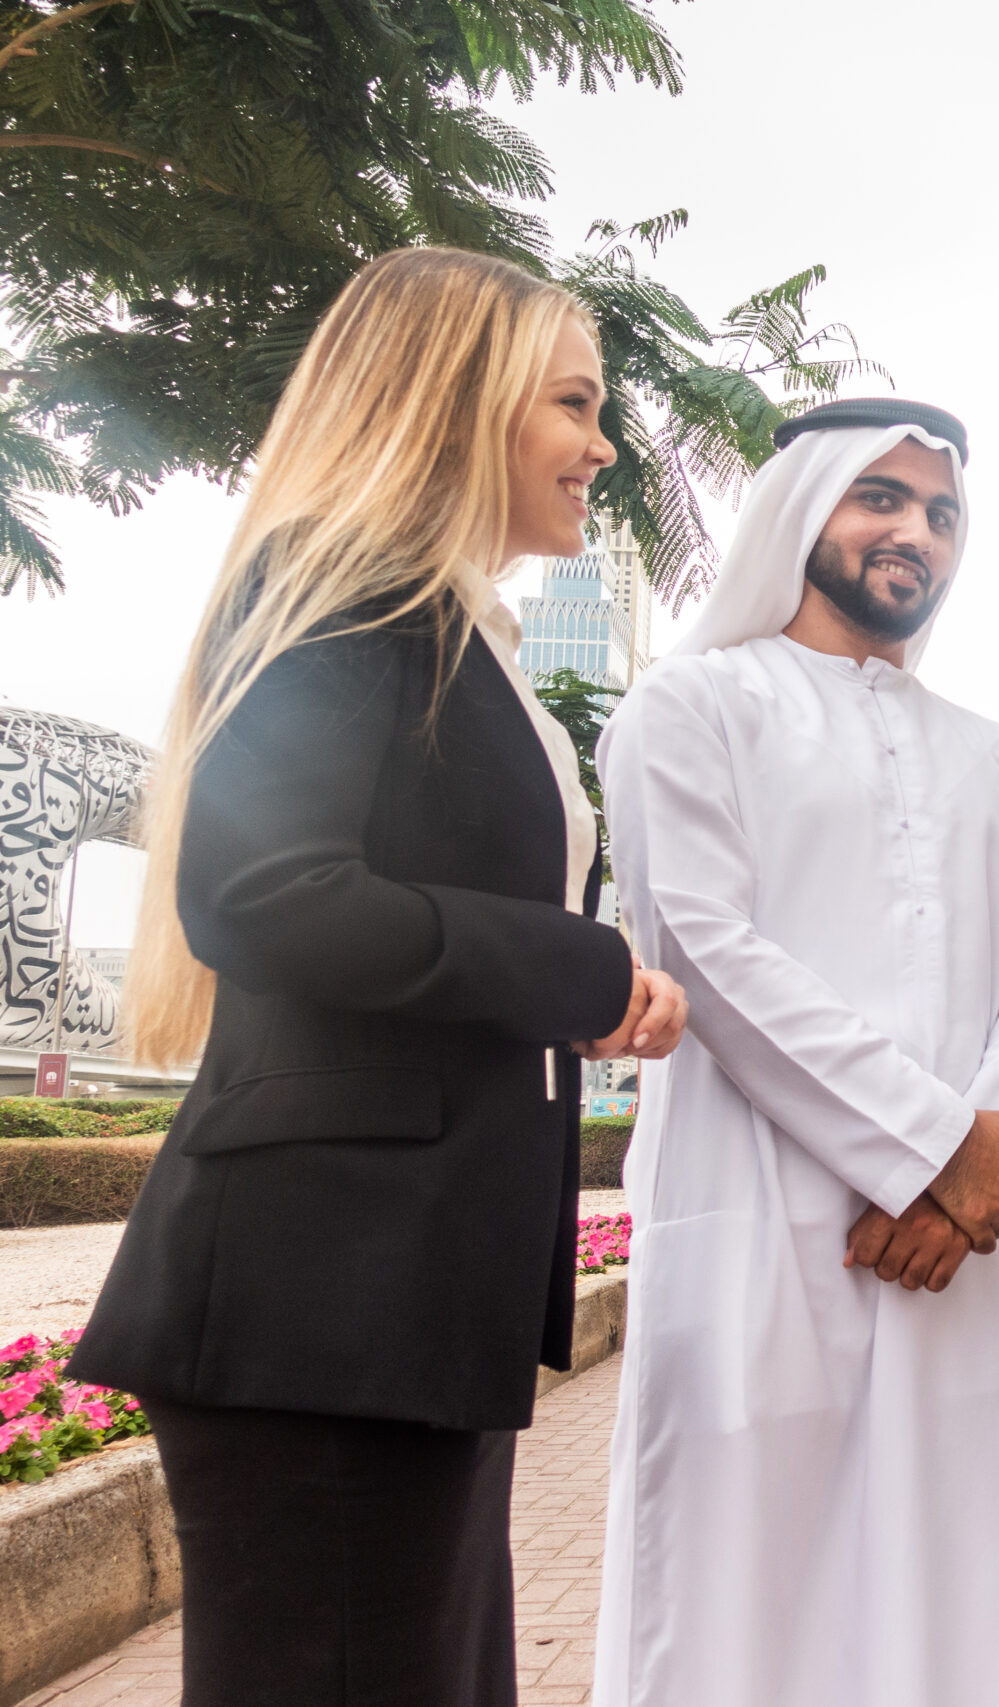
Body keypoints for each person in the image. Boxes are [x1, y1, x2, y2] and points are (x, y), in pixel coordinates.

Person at [69, 247, 690, 1706]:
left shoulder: (461, 625)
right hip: (322, 1292)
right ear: (460, 400)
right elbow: (263, 891)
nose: (602, 444)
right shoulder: (347, 589)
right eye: (574, 402)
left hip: (397, 1293)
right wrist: (578, 961)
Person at [593, 397, 999, 1707]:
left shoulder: (997, 757)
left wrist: (978, 1168)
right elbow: (706, 951)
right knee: (733, 1596)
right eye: (880, 497)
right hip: (756, 1218)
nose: (912, 530)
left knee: (940, 1589)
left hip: (950, 1249)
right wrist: (940, 1147)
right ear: (801, 510)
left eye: (941, 512)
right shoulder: (685, 709)